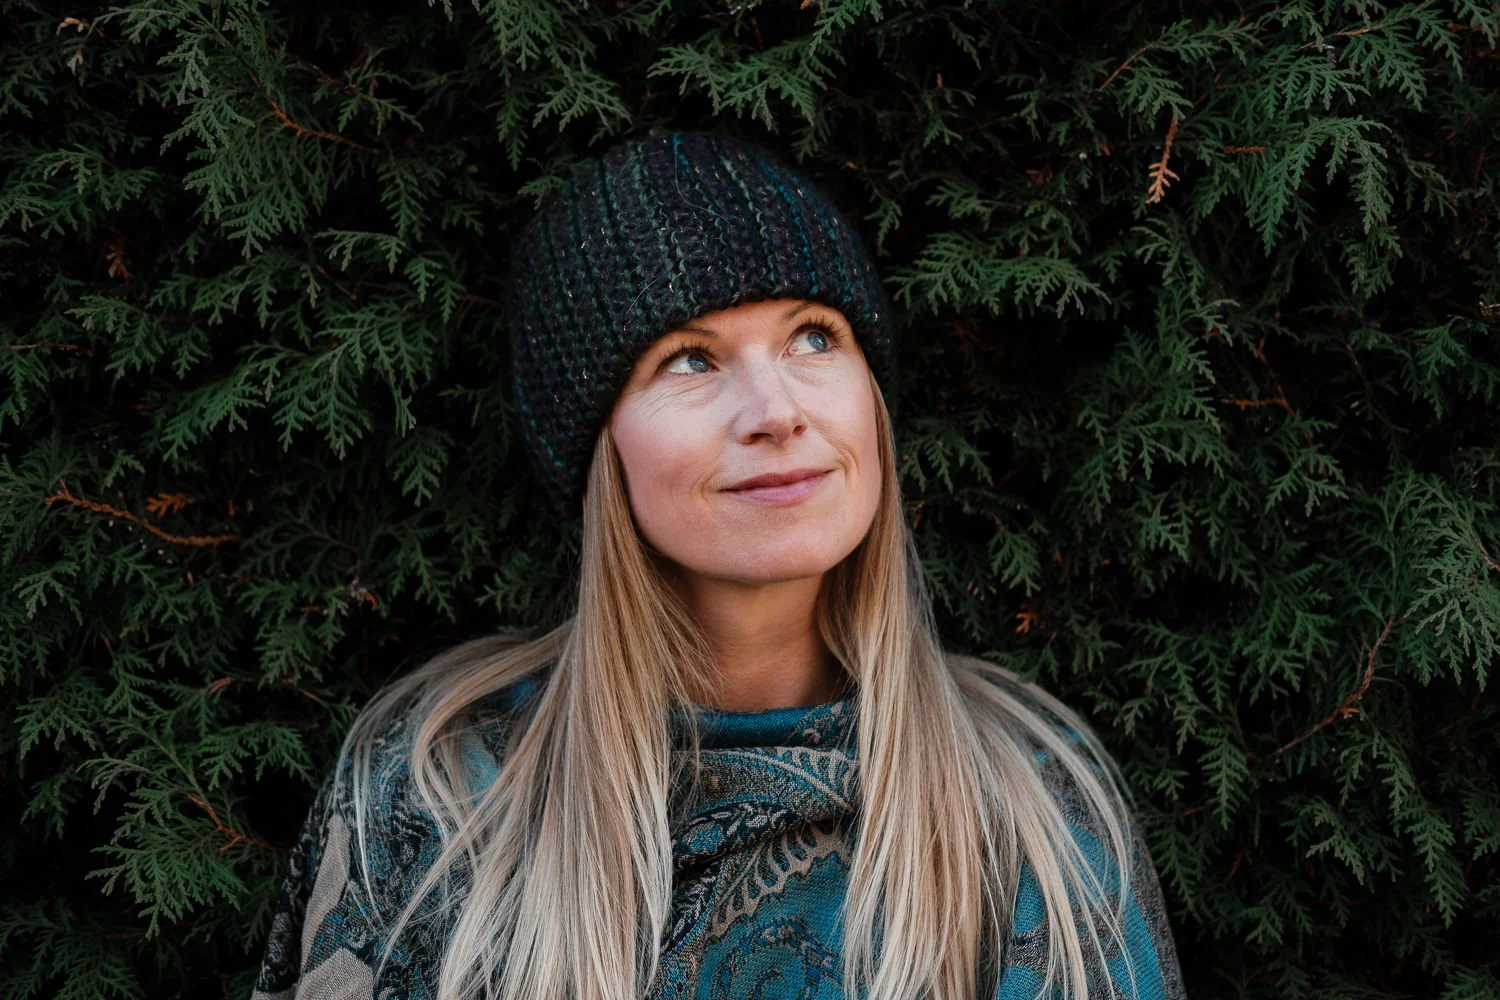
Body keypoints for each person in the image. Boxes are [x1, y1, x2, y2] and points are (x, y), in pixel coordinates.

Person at [251, 129, 1187, 1000]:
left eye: (813, 337)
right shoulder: (441, 788)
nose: (776, 411)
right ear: (599, 452)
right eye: (689, 360)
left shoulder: (1031, 801)